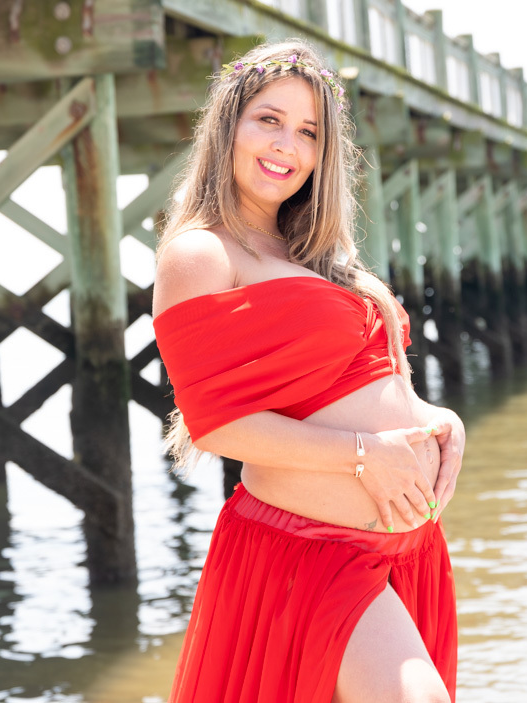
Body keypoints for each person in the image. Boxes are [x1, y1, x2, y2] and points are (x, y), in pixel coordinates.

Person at [152, 39, 466, 703]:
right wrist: (365, 455)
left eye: (308, 131)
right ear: (228, 123)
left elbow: (367, 375)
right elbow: (217, 426)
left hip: (403, 553)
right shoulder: (202, 253)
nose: (286, 145)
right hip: (311, 554)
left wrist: (441, 421)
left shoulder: (315, 253)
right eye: (268, 119)